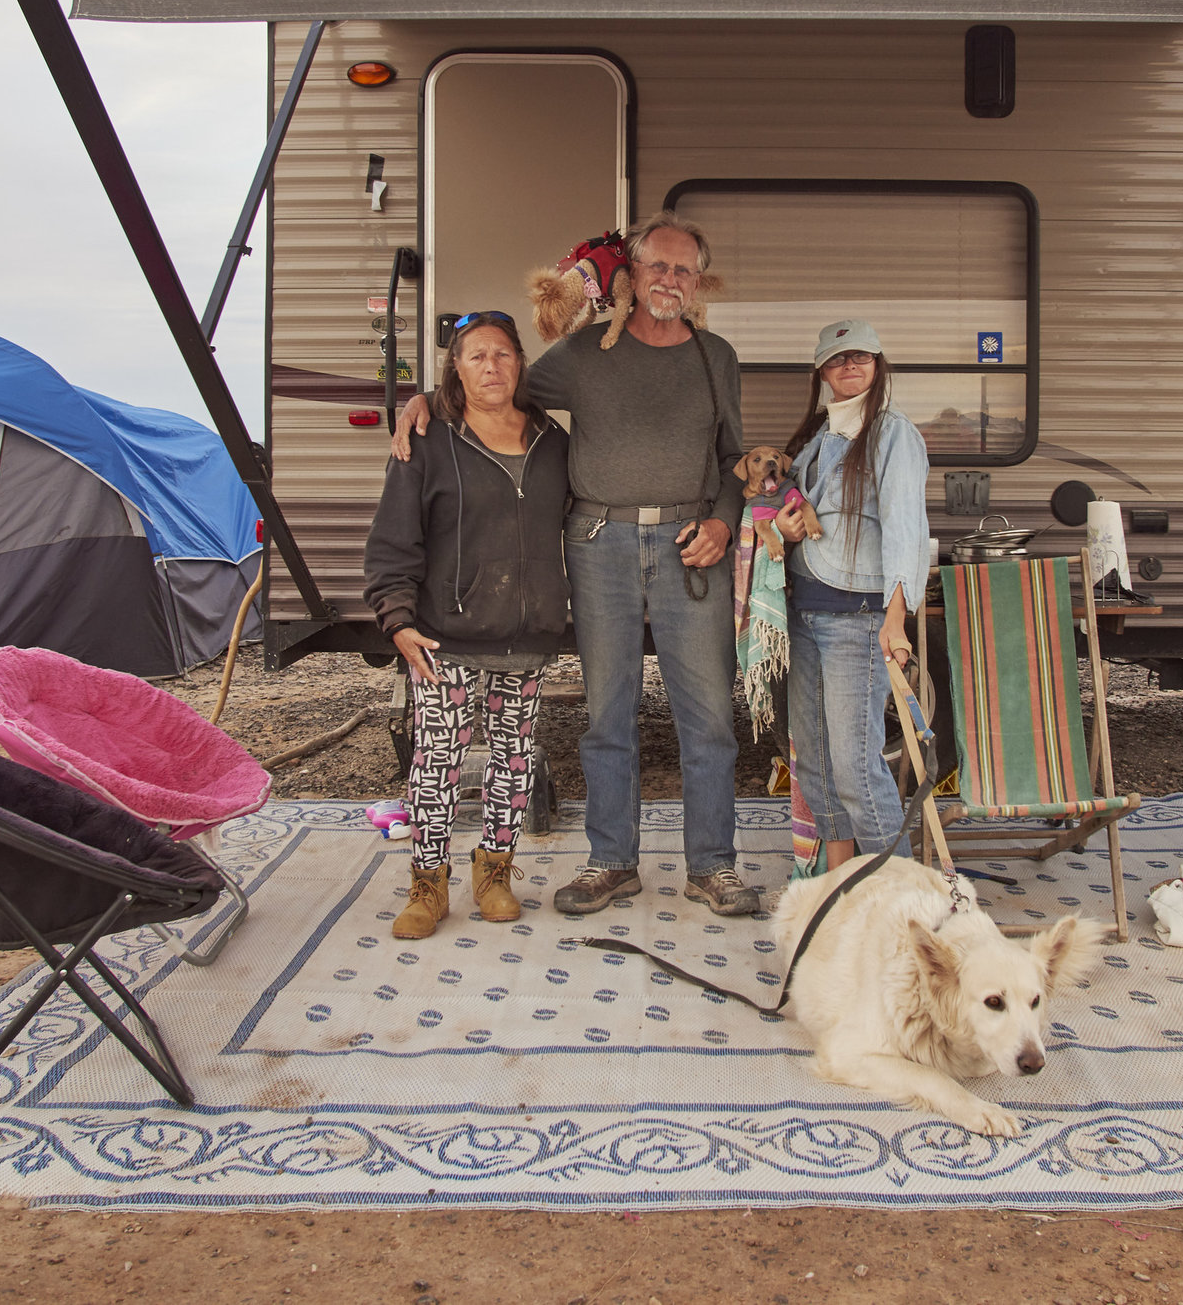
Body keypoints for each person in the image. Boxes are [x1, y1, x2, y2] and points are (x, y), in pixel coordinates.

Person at [396, 211, 757, 917]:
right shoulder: (586, 351)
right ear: (633, 272)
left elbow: (732, 459)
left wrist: (724, 518)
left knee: (710, 715)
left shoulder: (717, 356)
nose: (670, 280)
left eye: (684, 269)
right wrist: (422, 401)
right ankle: (611, 861)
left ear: (696, 281)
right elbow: (497, 388)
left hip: (692, 543)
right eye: (658, 265)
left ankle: (712, 865)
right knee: (608, 713)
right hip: (599, 544)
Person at [363, 312, 571, 939]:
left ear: (520, 364)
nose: (491, 367)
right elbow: (395, 537)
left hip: (528, 636)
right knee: (438, 764)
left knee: (514, 763)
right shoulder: (428, 439)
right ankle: (428, 884)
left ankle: (495, 874)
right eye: (476, 356)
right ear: (456, 367)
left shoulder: (552, 441)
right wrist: (395, 617)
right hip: (444, 639)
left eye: (503, 354)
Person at [782, 319, 933, 868]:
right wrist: (786, 528)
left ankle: (903, 890)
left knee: (854, 766)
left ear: (877, 364)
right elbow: (789, 515)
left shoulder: (895, 435)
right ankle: (840, 883)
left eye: (861, 356)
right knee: (816, 763)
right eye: (838, 357)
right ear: (821, 370)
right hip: (805, 614)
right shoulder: (817, 442)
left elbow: (906, 532)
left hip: (859, 617)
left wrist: (897, 621)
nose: (850, 365)